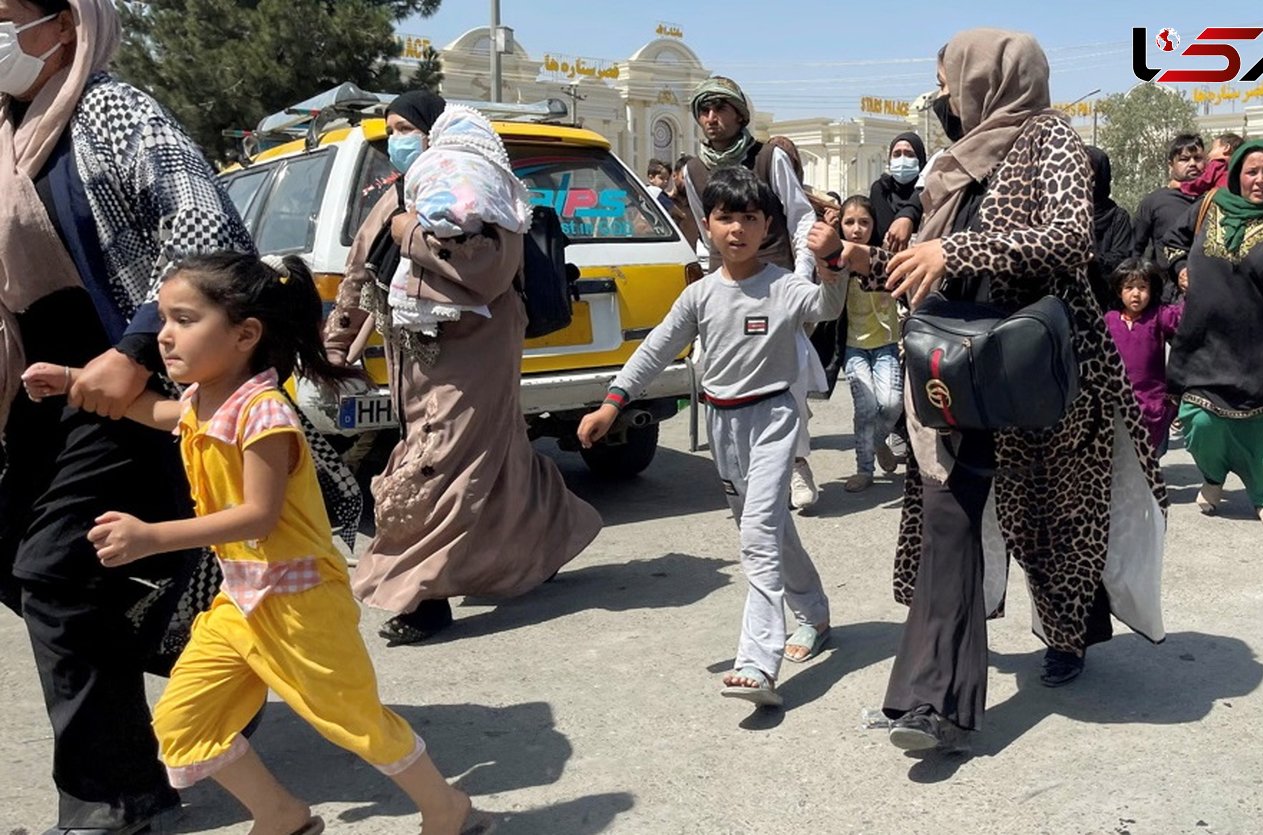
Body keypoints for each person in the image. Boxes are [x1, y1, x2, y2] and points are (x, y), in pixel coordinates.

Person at [23, 253, 493, 835]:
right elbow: (157, 411)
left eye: (185, 320)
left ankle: (448, 809)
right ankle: (281, 815)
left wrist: (152, 537)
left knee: (353, 719)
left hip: (300, 605)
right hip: (241, 604)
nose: (165, 337)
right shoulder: (202, 400)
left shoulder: (265, 414)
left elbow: (257, 516)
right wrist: (73, 381)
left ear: (246, 334)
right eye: (164, 319)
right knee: (182, 724)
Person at [807, 29, 1167, 751]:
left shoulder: (1049, 139)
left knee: (1052, 522)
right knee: (948, 524)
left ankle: (1068, 633)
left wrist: (957, 248)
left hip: (1042, 371)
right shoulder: (951, 163)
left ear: (985, 77)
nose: (941, 94)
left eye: (948, 78)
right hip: (953, 370)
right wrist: (854, 256)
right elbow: (925, 266)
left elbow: (1070, 238)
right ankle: (927, 699)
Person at [0, 2, 259, 830]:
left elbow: (208, 225)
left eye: (4, 15)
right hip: (39, 389)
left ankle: (111, 794)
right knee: (26, 557)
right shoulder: (7, 132)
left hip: (124, 381)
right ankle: (213, 654)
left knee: (55, 568)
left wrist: (140, 343)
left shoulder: (108, 109)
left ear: (63, 26)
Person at [329, 105, 602, 644]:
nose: (397, 140)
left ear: (435, 130)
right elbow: (361, 271)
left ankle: (421, 594)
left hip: (476, 352)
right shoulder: (397, 192)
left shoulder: (474, 188)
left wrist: (409, 233)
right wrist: (338, 343)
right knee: (499, 458)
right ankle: (551, 538)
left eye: (406, 129)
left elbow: (487, 271)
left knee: (439, 463)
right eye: (391, 132)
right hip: (414, 356)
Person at [578, 167, 846, 707]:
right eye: (726, 218)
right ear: (707, 225)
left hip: (773, 420)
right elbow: (656, 348)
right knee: (769, 529)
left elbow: (827, 307)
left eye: (750, 218)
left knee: (758, 537)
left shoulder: (784, 286)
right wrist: (614, 401)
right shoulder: (699, 295)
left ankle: (756, 663)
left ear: (767, 225)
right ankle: (814, 613)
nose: (737, 229)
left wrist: (830, 261)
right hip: (724, 427)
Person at [681, 76, 824, 511]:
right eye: (704, 110)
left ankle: (797, 462)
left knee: (789, 375)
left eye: (720, 109)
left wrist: (800, 278)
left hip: (776, 282)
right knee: (715, 370)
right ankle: (744, 469)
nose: (711, 118)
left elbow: (800, 217)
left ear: (740, 114)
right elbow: (706, 234)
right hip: (725, 288)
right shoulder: (693, 170)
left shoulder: (769, 156)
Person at [1164, 139, 1263, 529]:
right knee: (1199, 421)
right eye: (1251, 171)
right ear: (1237, 172)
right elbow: (1173, 241)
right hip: (1206, 342)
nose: (1259, 180)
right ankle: (1212, 476)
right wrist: (1178, 269)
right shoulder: (1209, 207)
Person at [837, 196, 902, 491]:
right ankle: (864, 470)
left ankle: (878, 443)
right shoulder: (836, 263)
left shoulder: (884, 258)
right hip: (854, 348)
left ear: (874, 225)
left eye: (864, 222)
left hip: (886, 344)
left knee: (890, 404)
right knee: (865, 408)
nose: (856, 228)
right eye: (849, 222)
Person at [1104, 258, 1183, 455]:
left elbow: (1184, 317)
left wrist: (1188, 289)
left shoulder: (1158, 316)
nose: (1136, 294)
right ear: (1118, 291)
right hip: (1116, 404)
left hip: (1153, 404)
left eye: (1142, 287)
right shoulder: (1109, 320)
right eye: (1129, 287)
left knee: (1149, 459)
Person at [1134, 133, 1205, 302]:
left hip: (1209, 292)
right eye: (1184, 159)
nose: (1192, 164)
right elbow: (1136, 250)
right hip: (1167, 297)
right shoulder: (1155, 201)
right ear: (1170, 165)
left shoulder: (1214, 199)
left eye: (1197, 158)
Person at [1085, 146, 1134, 311]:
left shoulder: (1118, 217)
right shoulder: (1064, 213)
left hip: (1105, 301)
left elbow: (1120, 258)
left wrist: (1091, 258)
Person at [868, 132, 927, 252]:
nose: (902, 159)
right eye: (897, 154)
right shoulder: (880, 189)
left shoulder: (929, 190)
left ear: (920, 160)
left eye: (909, 155)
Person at [1179, 132, 1243, 200]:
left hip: (1221, 199)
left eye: (1212, 148)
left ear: (1226, 148)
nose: (1209, 153)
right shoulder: (1237, 168)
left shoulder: (1217, 163)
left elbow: (1203, 182)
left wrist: (1181, 186)